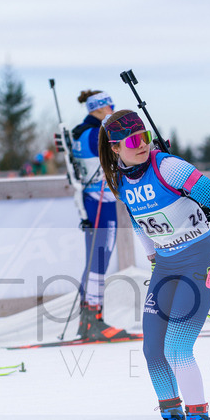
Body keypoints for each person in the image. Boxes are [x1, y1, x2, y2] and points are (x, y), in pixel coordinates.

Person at [97, 110, 210, 420]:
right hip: (166, 264)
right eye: (132, 141)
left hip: (200, 258)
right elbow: (138, 219)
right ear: (115, 148)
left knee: (177, 348)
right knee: (153, 350)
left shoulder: (169, 168)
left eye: (144, 136)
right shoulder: (120, 180)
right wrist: (153, 256)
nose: (142, 144)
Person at [71, 90, 130, 340]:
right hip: (100, 200)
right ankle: (93, 321)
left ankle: (89, 320)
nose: (112, 110)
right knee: (99, 260)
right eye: (109, 107)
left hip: (93, 199)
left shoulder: (82, 131)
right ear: (98, 108)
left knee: (96, 260)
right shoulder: (95, 133)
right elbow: (121, 150)